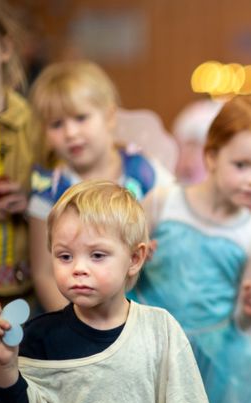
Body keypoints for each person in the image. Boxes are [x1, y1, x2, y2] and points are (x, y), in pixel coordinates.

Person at [0, 180, 213, 403]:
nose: (78, 268)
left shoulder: (160, 331)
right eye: (65, 256)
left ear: (134, 259)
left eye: (96, 255)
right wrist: (5, 367)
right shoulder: (37, 337)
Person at [129, 94, 251, 403]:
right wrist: (134, 264)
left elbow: (244, 326)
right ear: (211, 156)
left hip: (215, 366)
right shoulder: (163, 203)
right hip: (149, 349)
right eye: (241, 165)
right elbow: (121, 269)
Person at [26, 60, 173, 312]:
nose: (70, 132)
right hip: (73, 313)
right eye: (56, 124)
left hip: (140, 305)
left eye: (81, 118)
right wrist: (73, 326)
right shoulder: (49, 188)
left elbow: (170, 226)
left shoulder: (143, 173)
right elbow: (44, 274)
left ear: (109, 116)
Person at [0, 3, 42, 310]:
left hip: (27, 291)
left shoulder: (37, 124)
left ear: (6, 48)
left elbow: (65, 191)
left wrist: (30, 202)